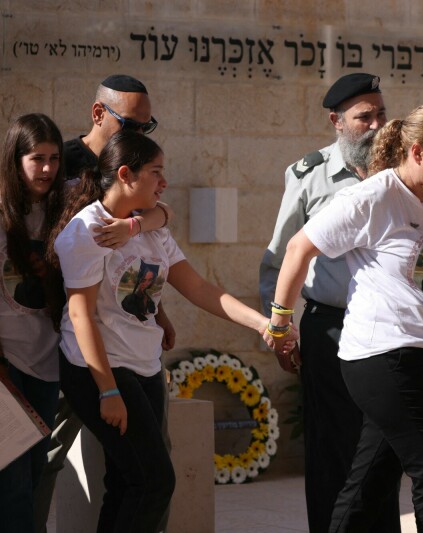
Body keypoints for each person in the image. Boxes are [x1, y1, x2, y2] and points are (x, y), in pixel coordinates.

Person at [259, 73, 423, 533]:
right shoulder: (374, 195)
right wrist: (280, 322)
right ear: (418, 151)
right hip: (383, 354)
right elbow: (296, 247)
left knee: (370, 483)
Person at [50, 130, 279, 533]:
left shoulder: (151, 227)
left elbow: (200, 289)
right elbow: (81, 316)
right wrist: (107, 390)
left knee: (127, 483)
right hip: (99, 369)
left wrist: (261, 323)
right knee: (155, 481)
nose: (164, 182)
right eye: (156, 172)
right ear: (125, 174)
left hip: (146, 366)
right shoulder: (87, 232)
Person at [34, 74, 175, 533]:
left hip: (122, 341)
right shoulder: (63, 163)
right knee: (46, 456)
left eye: (146, 127)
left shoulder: (133, 171)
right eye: (130, 125)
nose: (139, 136)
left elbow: (151, 227)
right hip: (60, 338)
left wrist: (157, 307)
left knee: (136, 473)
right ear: (99, 114)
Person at [0, 113, 65, 533]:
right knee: (12, 484)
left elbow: (149, 204)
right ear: (15, 160)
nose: (46, 169)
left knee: (35, 474)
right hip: (6, 370)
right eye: (36, 158)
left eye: (54, 158)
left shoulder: (65, 207)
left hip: (49, 365)